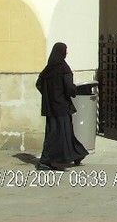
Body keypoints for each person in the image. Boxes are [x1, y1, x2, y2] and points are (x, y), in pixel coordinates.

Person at [35, 42, 89, 170]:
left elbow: (38, 84)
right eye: (66, 50)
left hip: (50, 108)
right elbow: (69, 88)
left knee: (60, 133)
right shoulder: (64, 69)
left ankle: (77, 154)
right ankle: (47, 160)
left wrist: (49, 96)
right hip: (61, 107)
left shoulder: (48, 70)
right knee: (59, 134)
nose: (67, 53)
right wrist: (75, 91)